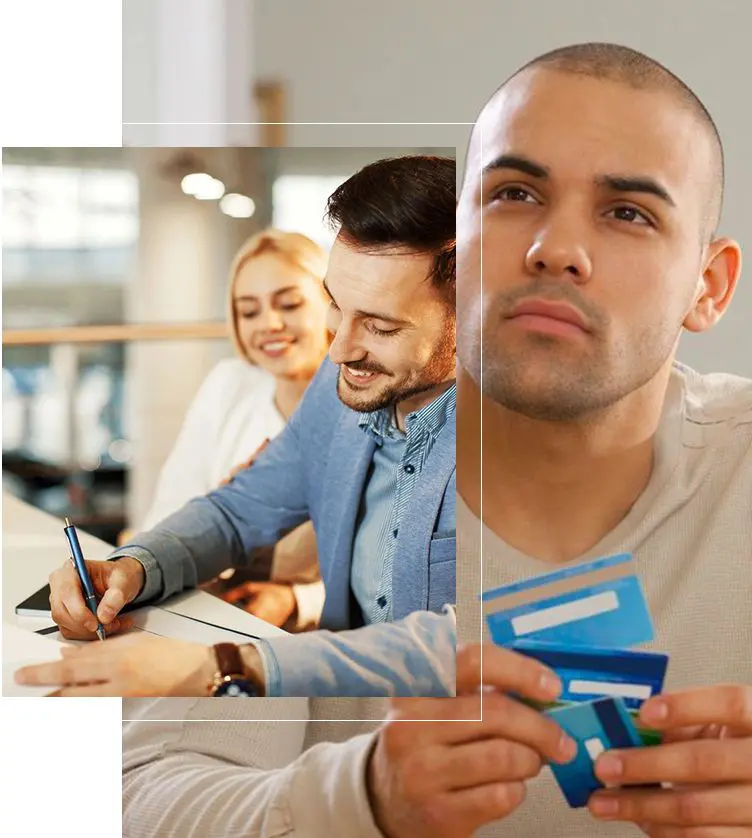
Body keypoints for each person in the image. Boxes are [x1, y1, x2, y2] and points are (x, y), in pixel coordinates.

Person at [120, 42, 752, 838]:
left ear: (710, 285)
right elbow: (147, 785)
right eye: (515, 192)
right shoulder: (344, 399)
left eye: (628, 211)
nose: (554, 248)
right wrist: (138, 567)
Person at [41, 155, 457, 689]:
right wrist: (133, 567)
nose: (339, 349)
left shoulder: (526, 443)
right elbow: (238, 511)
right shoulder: (337, 399)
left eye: (378, 327)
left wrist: (233, 668)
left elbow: (474, 643)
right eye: (335, 305)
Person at [139, 227, 330, 632]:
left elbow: (384, 568)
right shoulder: (230, 383)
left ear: (332, 302)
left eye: (290, 304)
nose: (270, 324)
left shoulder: (365, 404)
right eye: (249, 311)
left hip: (317, 633)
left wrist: (298, 600)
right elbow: (167, 511)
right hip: (205, 604)